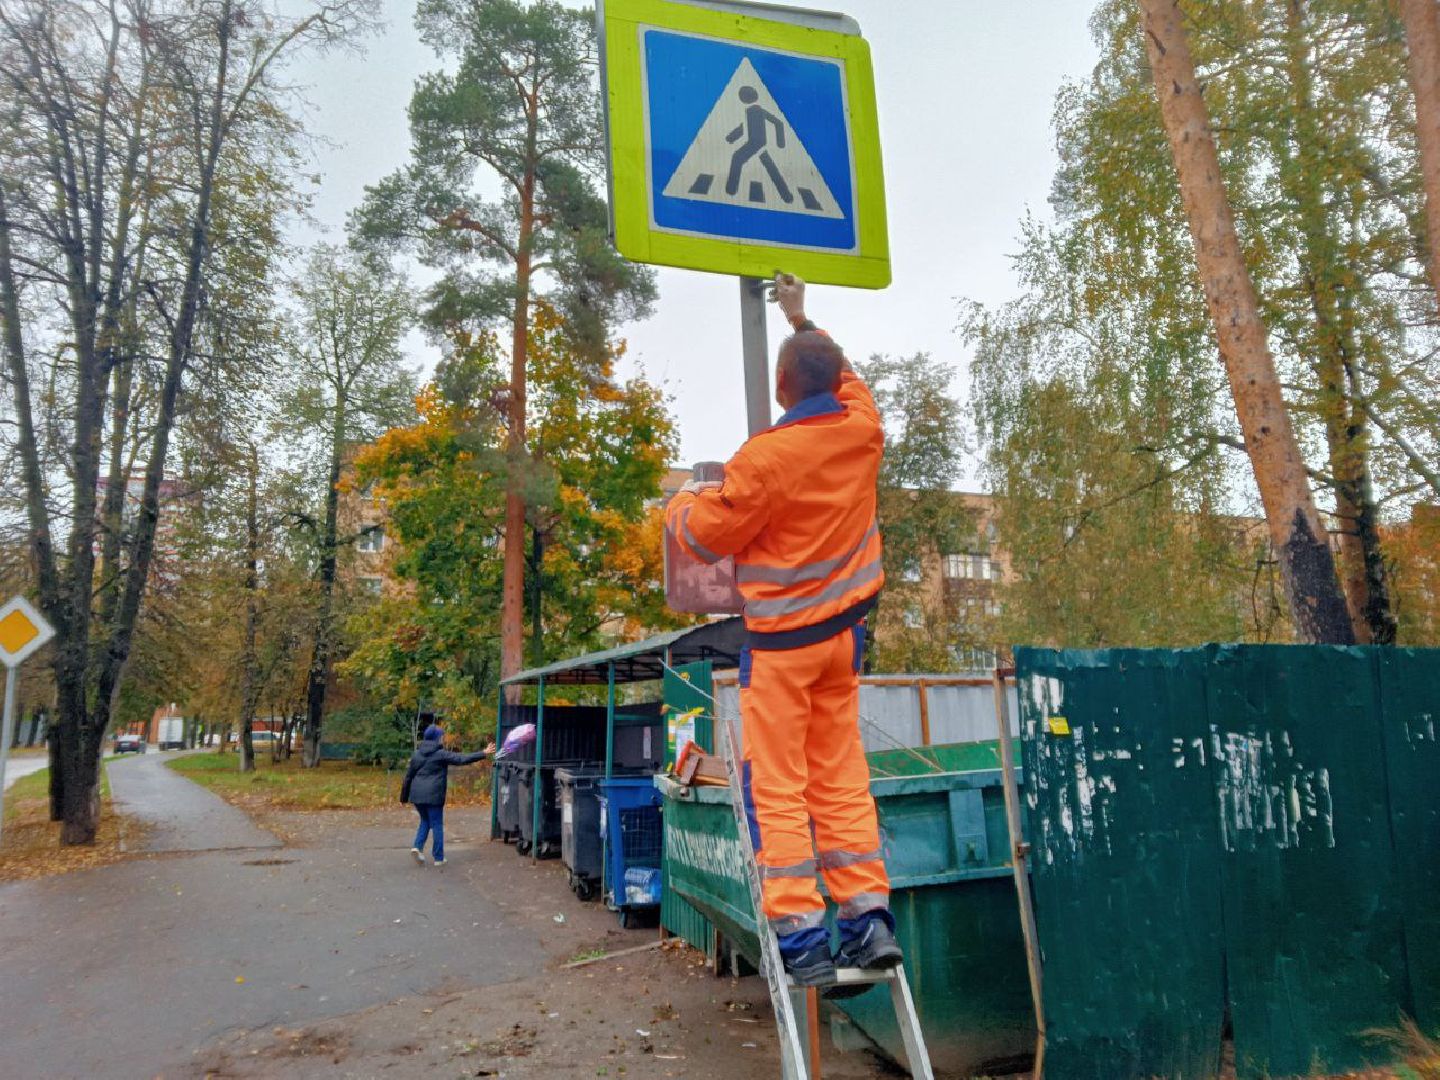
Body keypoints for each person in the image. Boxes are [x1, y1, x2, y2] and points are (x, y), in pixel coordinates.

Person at [664, 273, 899, 992]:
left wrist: (680, 499)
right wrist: (801, 317)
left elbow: (704, 536)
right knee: (840, 778)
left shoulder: (763, 460)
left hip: (785, 649)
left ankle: (802, 938)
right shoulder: (863, 430)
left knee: (778, 787)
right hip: (843, 641)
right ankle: (868, 921)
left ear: (779, 388)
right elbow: (847, 373)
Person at [400, 724, 495, 867]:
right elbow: (461, 759)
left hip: (417, 795)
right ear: (437, 738)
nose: (443, 739)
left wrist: (403, 797)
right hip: (433, 796)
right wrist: (483, 752)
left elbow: (408, 777)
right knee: (437, 824)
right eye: (441, 736)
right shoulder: (441, 754)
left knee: (425, 821)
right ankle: (439, 858)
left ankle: (417, 847)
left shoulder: (417, 754)